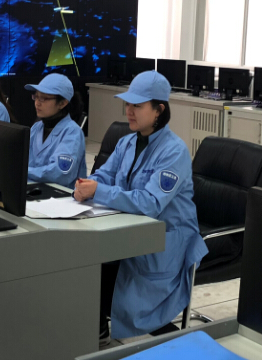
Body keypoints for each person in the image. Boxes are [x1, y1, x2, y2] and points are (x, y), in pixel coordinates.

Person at [73, 71, 207, 344]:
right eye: (128, 104)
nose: (129, 111)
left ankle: (98, 330)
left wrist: (100, 191)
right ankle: (94, 327)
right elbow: (105, 176)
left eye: (137, 105)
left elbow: (151, 202)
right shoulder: (127, 142)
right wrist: (87, 184)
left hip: (162, 242)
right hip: (129, 230)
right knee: (81, 264)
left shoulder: (174, 151)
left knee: (97, 275)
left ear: (159, 110)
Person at [24, 74, 87, 188]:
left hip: (61, 195)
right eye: (36, 97)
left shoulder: (72, 132)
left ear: (62, 103)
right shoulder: (36, 127)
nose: (37, 103)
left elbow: (60, 174)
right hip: (34, 189)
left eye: (43, 98)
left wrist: (23, 171)